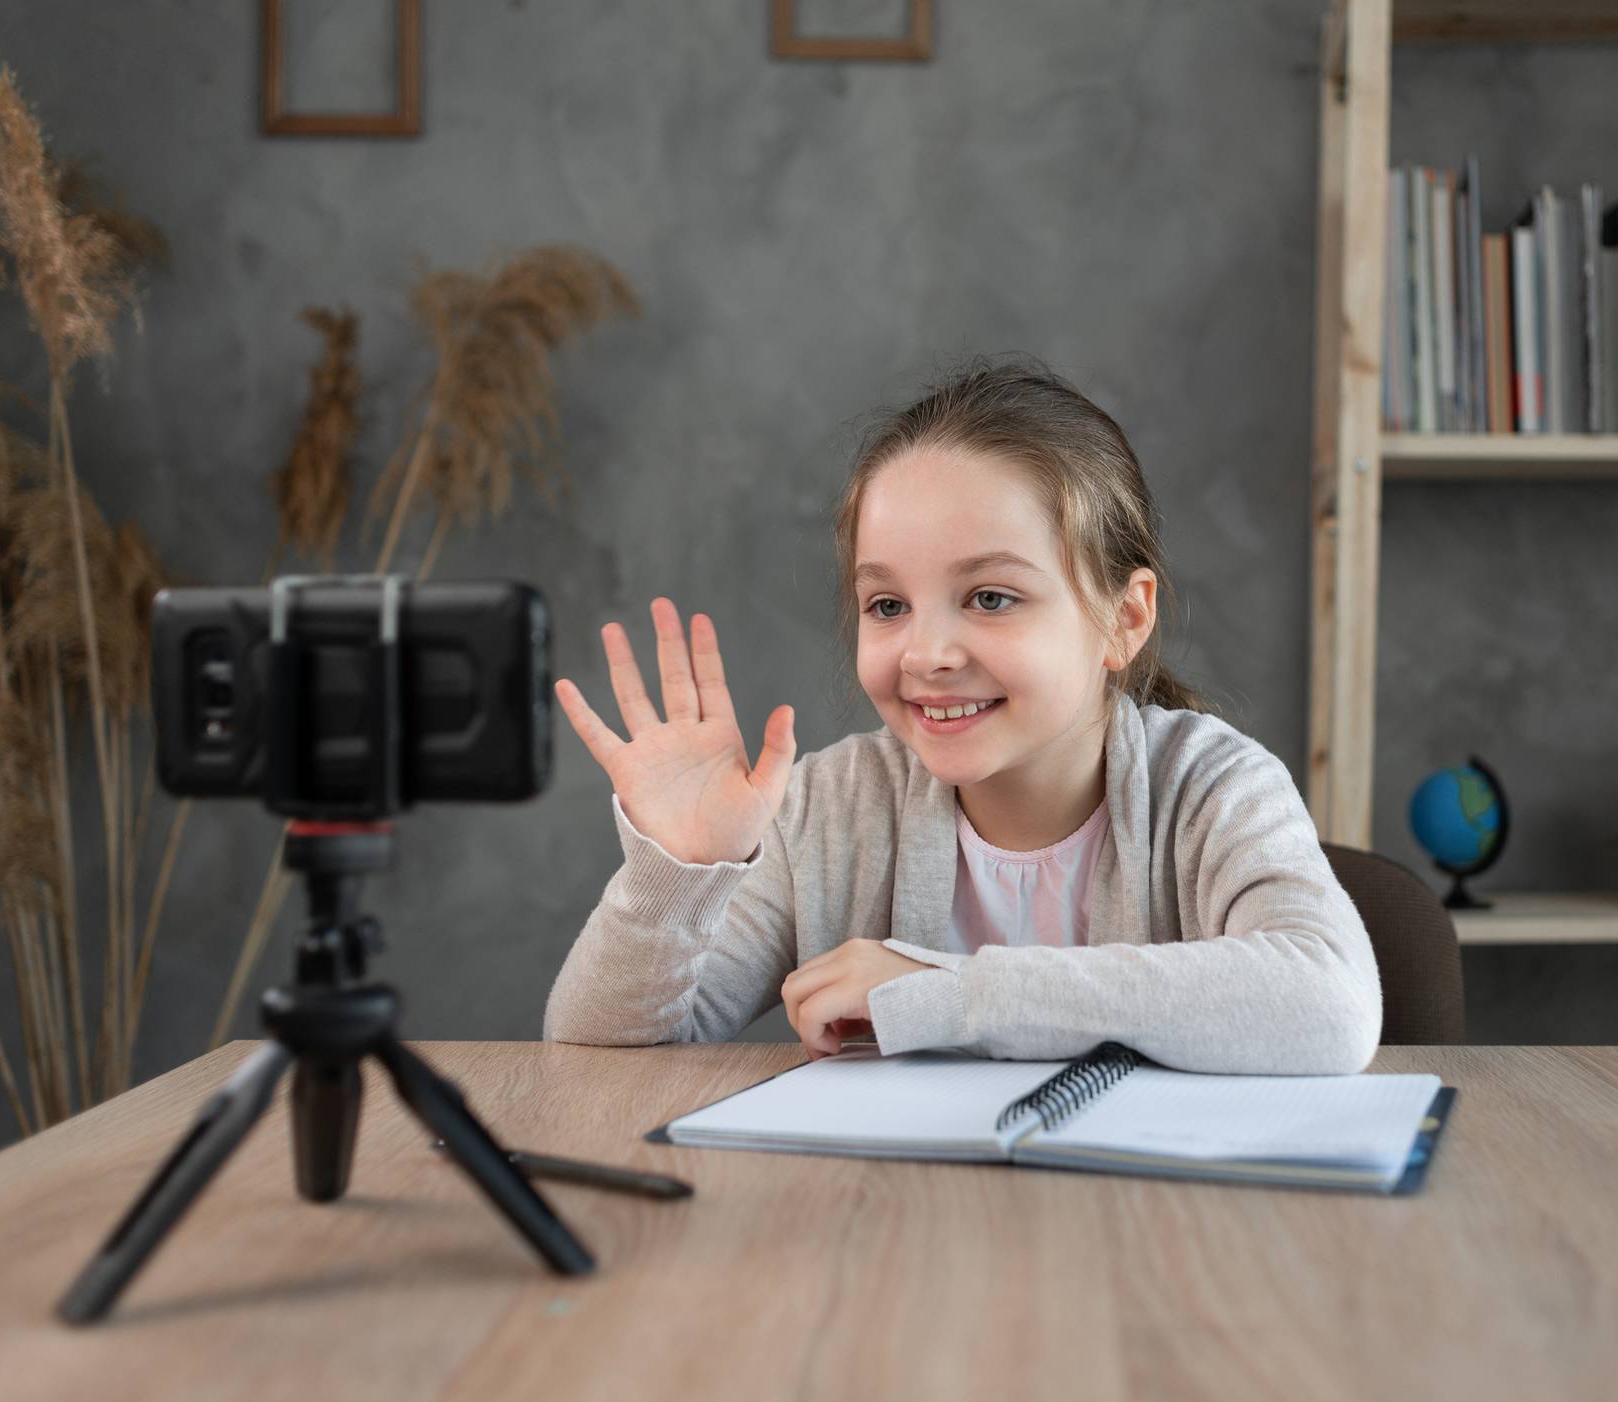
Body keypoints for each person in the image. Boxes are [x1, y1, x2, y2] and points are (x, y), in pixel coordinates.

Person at [543, 361, 1382, 1074]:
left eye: (990, 597)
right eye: (887, 604)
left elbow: (1331, 1004)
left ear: (1125, 620)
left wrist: (938, 992)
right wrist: (677, 878)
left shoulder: (1211, 787)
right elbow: (594, 1053)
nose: (925, 653)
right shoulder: (829, 811)